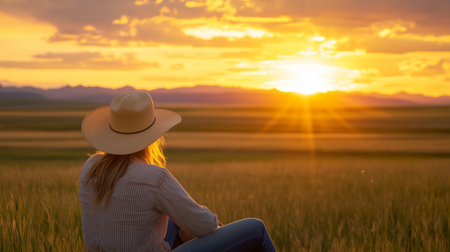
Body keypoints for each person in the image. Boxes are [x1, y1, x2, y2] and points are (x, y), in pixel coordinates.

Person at [79, 91, 276, 252]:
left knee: (175, 221)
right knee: (255, 227)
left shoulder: (91, 167)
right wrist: (198, 224)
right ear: (151, 136)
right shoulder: (154, 178)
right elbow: (204, 226)